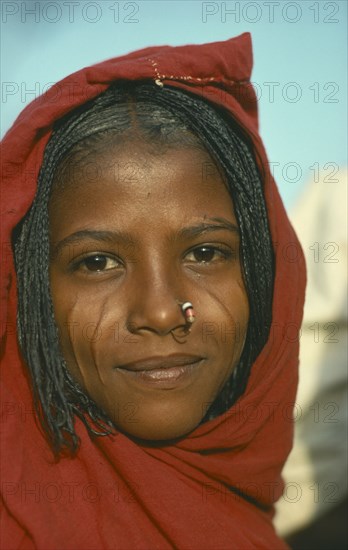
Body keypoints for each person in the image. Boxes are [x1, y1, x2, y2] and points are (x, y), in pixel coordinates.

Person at [0, 33, 305, 549]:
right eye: (97, 262)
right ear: (30, 294)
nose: (163, 312)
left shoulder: (245, 516)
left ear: (267, 274)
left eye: (205, 254)